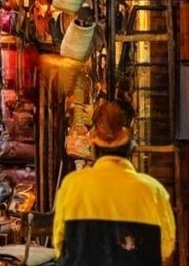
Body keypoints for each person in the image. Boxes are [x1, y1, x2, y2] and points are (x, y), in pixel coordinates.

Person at [53, 100, 175, 265]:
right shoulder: (154, 192)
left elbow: (60, 247)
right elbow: (166, 251)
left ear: (93, 144)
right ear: (129, 144)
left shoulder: (71, 186)